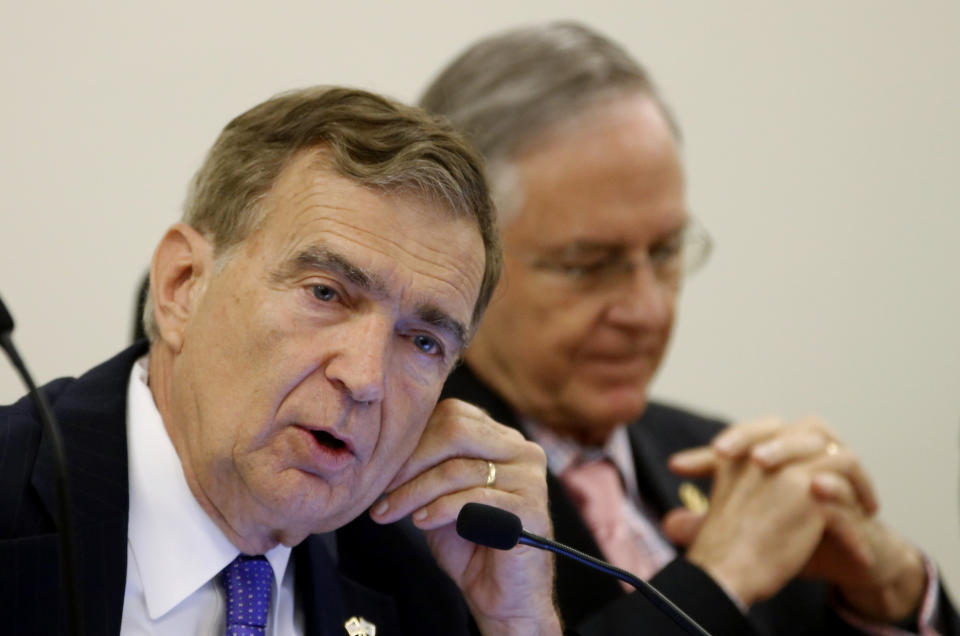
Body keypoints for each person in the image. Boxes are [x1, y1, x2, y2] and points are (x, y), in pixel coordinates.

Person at [421, 22, 959, 635]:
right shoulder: (403, 490)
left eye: (667, 250)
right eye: (588, 265)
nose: (648, 309)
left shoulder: (715, 460)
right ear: (464, 261)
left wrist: (887, 592)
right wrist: (720, 576)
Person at [0, 86, 563, 635]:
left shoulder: (418, 583)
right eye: (325, 293)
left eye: (422, 342)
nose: (364, 378)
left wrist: (519, 622)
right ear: (182, 284)